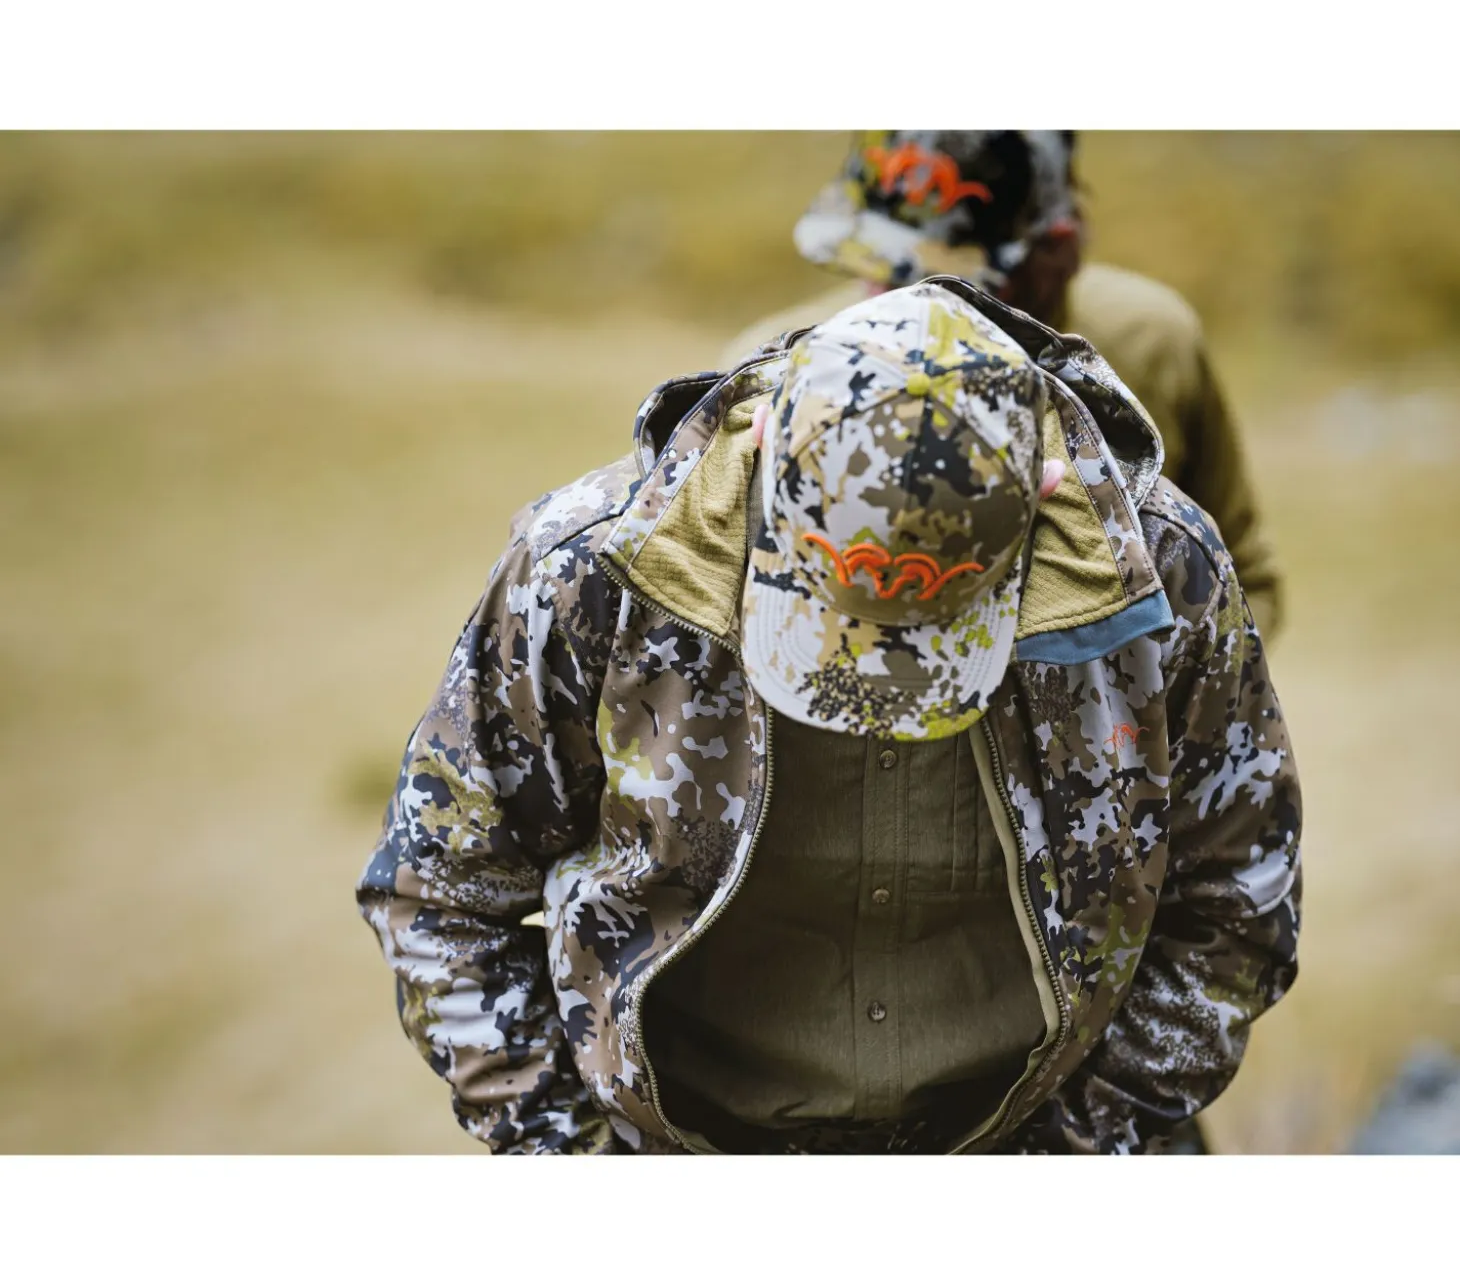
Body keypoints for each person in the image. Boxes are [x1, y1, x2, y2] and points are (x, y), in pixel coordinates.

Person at [357, 278, 1301, 1154]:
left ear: (1042, 490)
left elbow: (1234, 899)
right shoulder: (593, 572)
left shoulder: (1158, 582)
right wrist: (578, 1160)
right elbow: (441, 890)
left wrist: (1080, 1154)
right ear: (764, 440)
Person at [722, 131, 1283, 640]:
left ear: (1057, 247)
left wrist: (1157, 686)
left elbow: (1243, 578)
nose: (888, 298)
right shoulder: (778, 368)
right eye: (870, 260)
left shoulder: (1150, 342)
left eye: (933, 279)